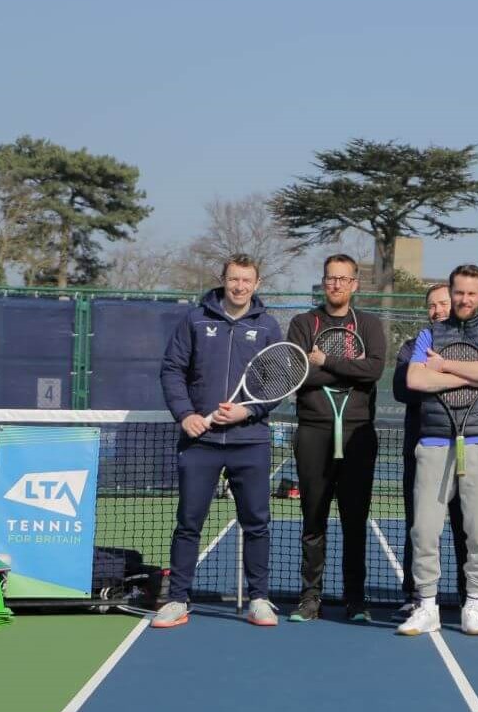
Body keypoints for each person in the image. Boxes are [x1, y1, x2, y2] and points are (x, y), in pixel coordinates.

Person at [153, 254, 286, 629]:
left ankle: (259, 599)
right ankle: (178, 599)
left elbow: (277, 383)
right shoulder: (195, 320)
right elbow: (172, 370)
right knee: (188, 522)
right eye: (233, 280)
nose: (239, 286)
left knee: (257, 523)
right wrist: (186, 414)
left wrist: (249, 411)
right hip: (202, 442)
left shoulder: (268, 327)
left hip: (251, 441)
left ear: (256, 284)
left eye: (246, 280)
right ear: (223, 281)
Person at [396, 265, 478, 638]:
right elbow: (415, 379)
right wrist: (470, 372)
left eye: (470, 293)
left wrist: (443, 366)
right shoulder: (429, 332)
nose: (464, 299)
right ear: (452, 291)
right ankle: (427, 605)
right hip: (433, 442)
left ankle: (473, 604)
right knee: (424, 530)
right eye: (458, 292)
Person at [285, 253, 387, 623]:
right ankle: (310, 598)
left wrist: (325, 362)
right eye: (330, 278)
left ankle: (355, 599)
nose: (336, 284)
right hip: (313, 431)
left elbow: (373, 369)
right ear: (323, 282)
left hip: (358, 433)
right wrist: (347, 372)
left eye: (343, 279)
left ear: (355, 284)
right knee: (313, 519)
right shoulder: (302, 323)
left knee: (355, 520)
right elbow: (297, 375)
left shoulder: (371, 325)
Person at [394, 283, 468, 616]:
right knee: (421, 527)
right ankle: (415, 595)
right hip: (422, 449)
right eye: (432, 306)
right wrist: (455, 375)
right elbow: (403, 389)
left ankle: (470, 598)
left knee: (466, 527)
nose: (437, 310)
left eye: (443, 303)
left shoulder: (470, 345)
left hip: (465, 450)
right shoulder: (412, 346)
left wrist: (435, 372)